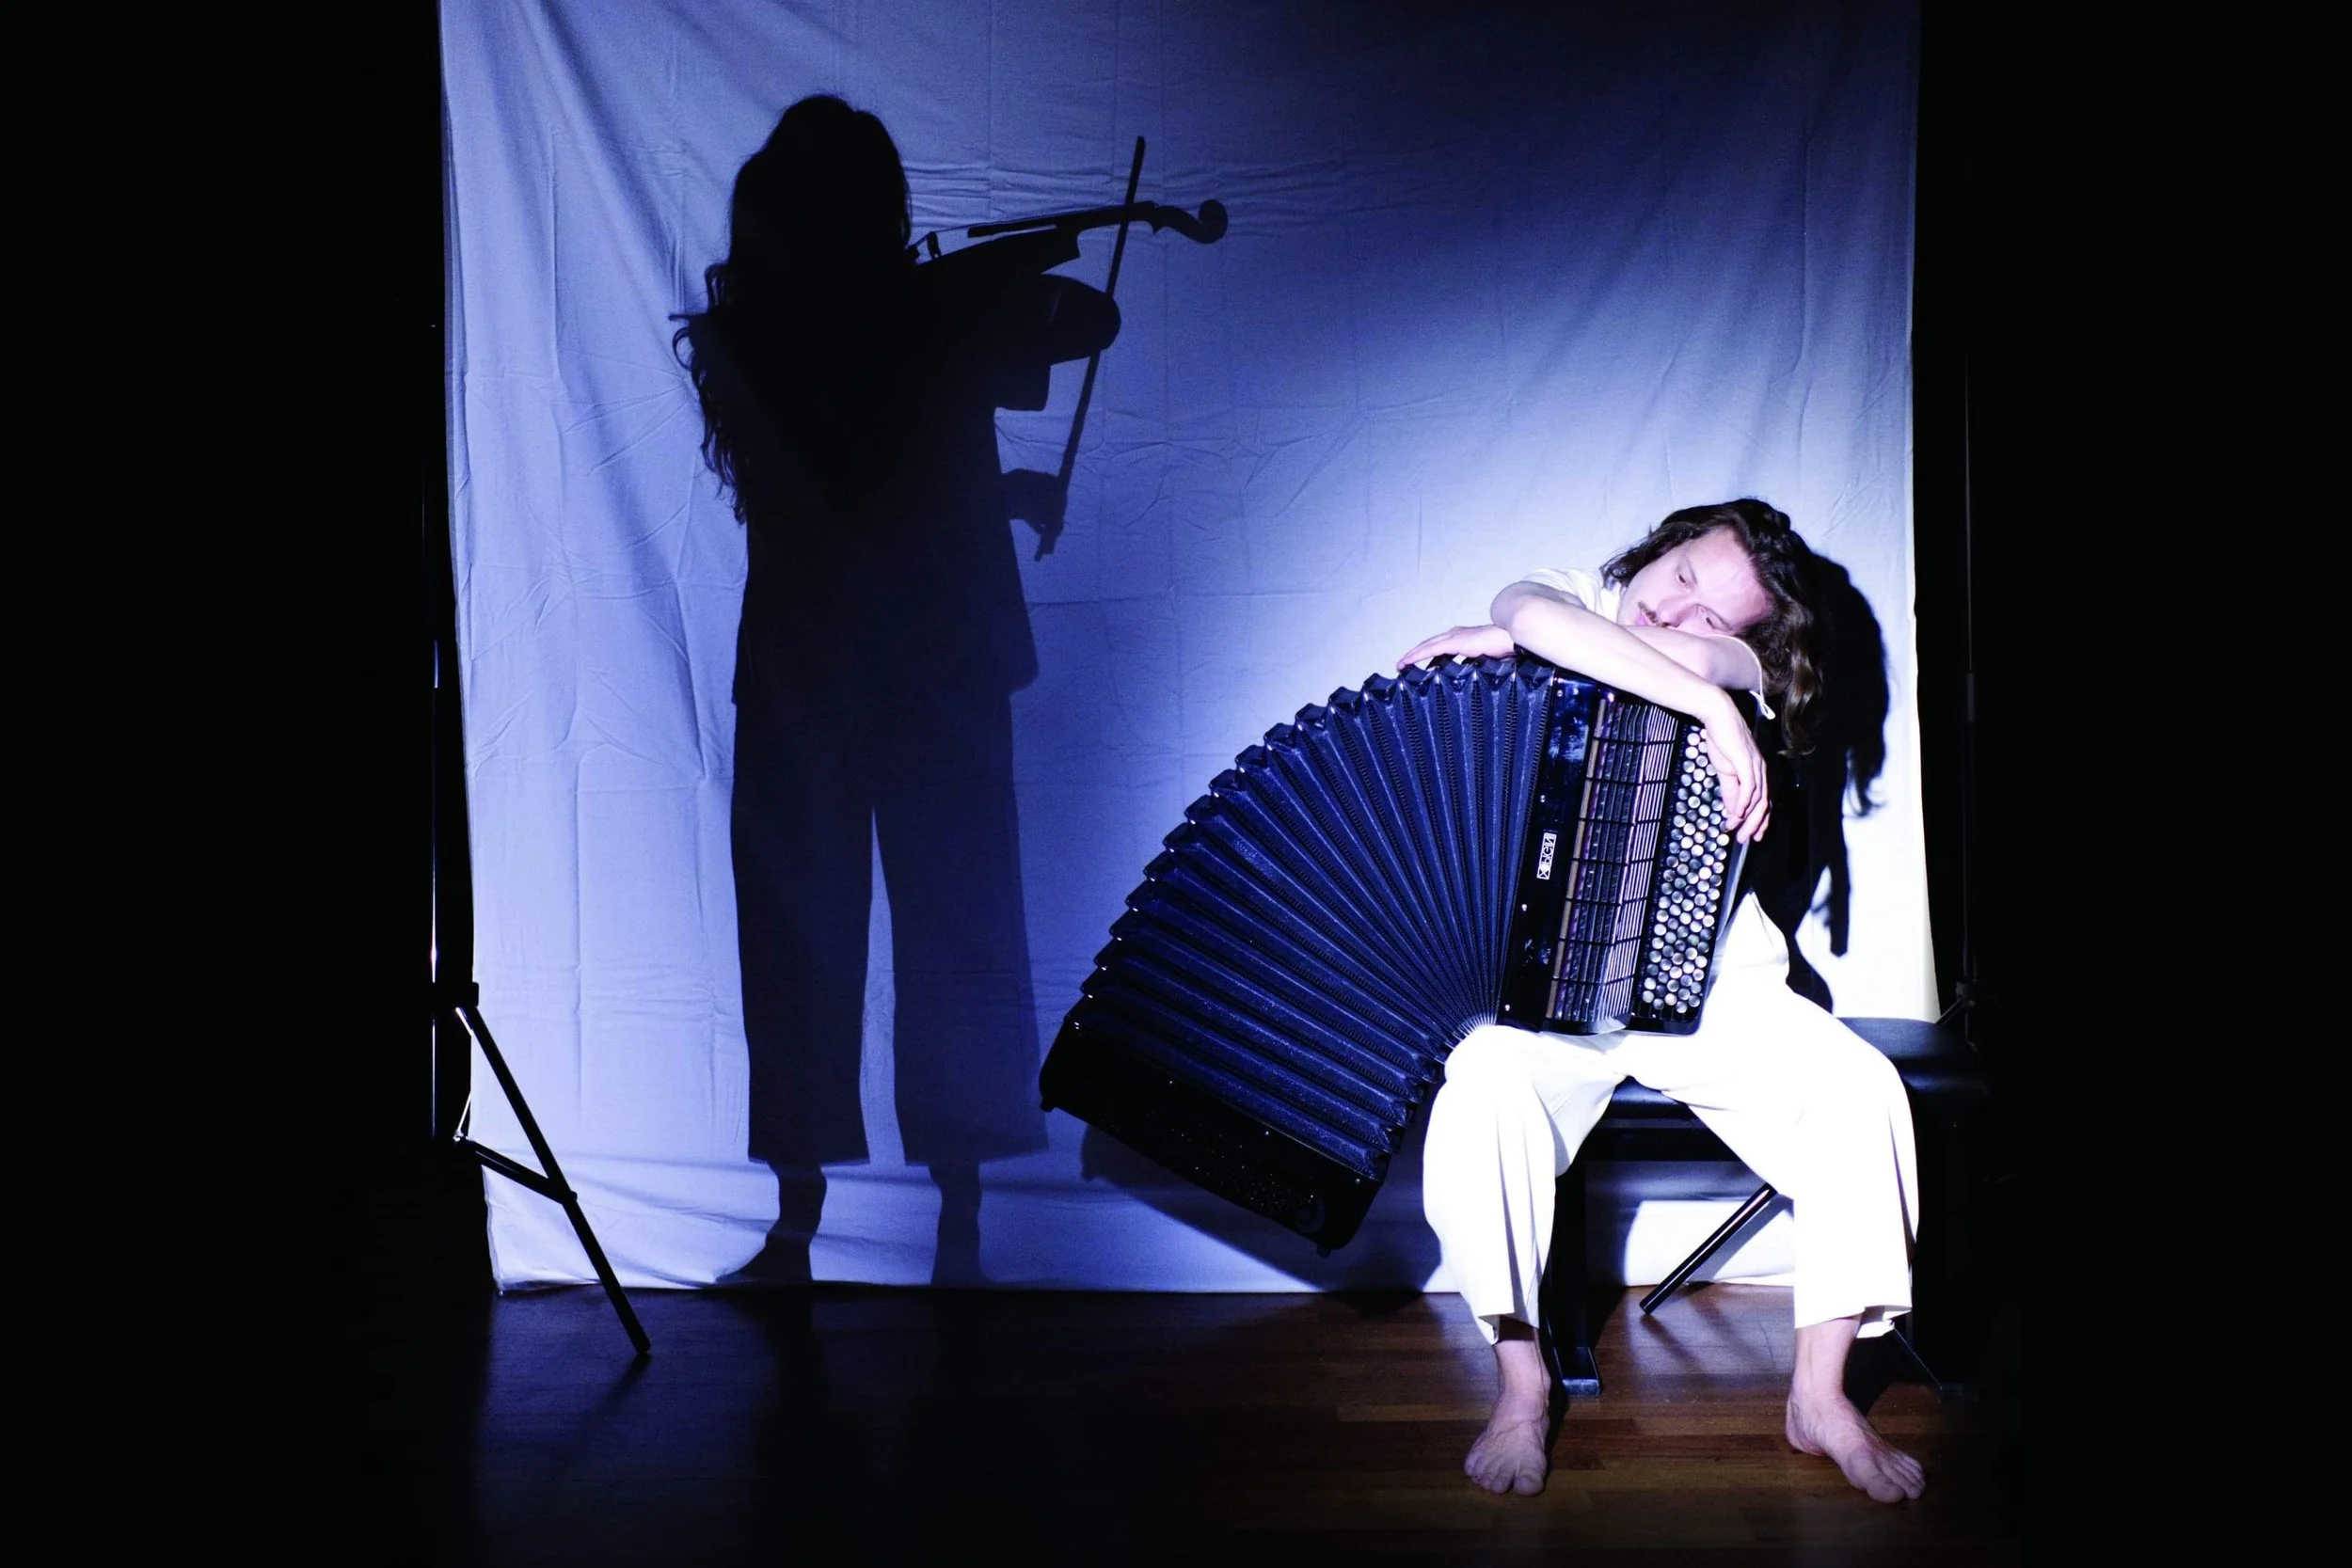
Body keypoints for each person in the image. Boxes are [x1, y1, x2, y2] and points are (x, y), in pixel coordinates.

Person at [1396, 498, 1926, 1504]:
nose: (1675, 612)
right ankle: (1520, 1385)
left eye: (1712, 615)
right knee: (1482, 1086)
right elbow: (1540, 613)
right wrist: (1525, 630)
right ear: (1659, 546)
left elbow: (1716, 668)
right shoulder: (1569, 594)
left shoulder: (1753, 670)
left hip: (1710, 983)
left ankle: (1820, 1395)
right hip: (1546, 993)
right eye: (1680, 574)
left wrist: (1723, 687)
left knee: (1859, 1089)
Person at [675, 95, 1120, 1284]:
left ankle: (813, 1223)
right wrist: (972, 283)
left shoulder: (775, 331)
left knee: (836, 938)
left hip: (823, 673)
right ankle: (936, 1225)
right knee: (934, 934)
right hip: (915, 670)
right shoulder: (867, 329)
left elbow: (889, 463)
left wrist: (999, 475)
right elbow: (1066, 328)